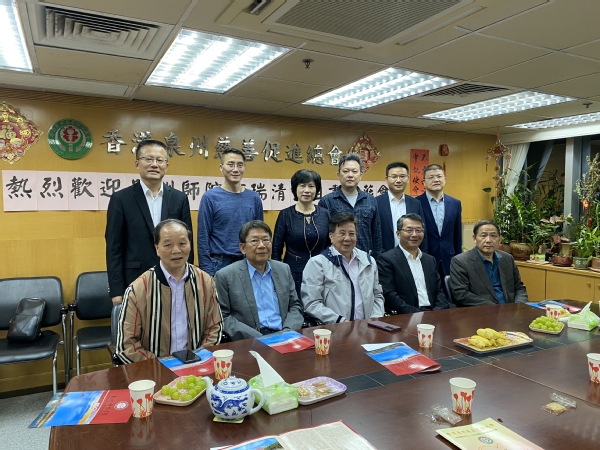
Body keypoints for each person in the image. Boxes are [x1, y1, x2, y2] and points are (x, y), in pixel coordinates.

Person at [115, 219, 223, 363]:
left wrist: (199, 360)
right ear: (157, 249)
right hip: (154, 369)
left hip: (197, 365)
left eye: (182, 243)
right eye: (168, 245)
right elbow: (127, 345)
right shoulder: (138, 290)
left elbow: (214, 327)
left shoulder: (206, 282)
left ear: (190, 245)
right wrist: (162, 367)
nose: (176, 250)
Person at [105, 139, 193, 305]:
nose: (154, 164)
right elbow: (114, 248)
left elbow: (187, 242)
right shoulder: (121, 199)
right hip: (135, 279)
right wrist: (116, 290)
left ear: (166, 166)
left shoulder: (179, 198)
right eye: (148, 159)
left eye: (159, 160)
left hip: (173, 278)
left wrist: (188, 280)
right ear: (137, 164)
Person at [214, 220, 304, 341]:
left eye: (266, 240)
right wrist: (258, 338)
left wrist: (287, 331)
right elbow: (223, 316)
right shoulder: (225, 276)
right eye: (254, 241)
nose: (262, 245)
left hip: (285, 335)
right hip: (250, 339)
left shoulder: (283, 269)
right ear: (242, 248)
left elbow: (295, 306)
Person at [301, 212, 385, 324]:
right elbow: (311, 303)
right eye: (342, 233)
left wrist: (374, 319)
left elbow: (378, 295)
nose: (347, 238)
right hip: (336, 328)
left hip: (368, 328)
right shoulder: (317, 263)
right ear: (331, 236)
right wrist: (340, 321)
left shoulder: (368, 261)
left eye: (352, 233)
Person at [197, 148, 263, 276]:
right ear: (221, 168)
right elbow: (203, 237)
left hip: (248, 263)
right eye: (231, 164)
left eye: (240, 165)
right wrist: (207, 271)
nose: (236, 169)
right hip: (218, 264)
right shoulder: (210, 197)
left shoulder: (254, 198)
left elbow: (259, 235)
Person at [272, 169, 331, 297]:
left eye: (311, 186)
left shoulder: (325, 214)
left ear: (317, 189)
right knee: (296, 306)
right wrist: (276, 274)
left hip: (321, 271)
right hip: (293, 272)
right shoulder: (285, 214)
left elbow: (329, 245)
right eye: (302, 186)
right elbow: (276, 248)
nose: (307, 190)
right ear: (295, 188)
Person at [377, 213, 449, 314]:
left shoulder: (429, 260)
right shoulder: (386, 259)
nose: (414, 235)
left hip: (433, 313)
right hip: (406, 315)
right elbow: (389, 295)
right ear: (398, 234)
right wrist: (419, 314)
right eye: (409, 230)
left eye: (419, 230)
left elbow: (439, 291)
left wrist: (436, 312)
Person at [450, 219, 528, 306]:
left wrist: (518, 306)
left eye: (493, 236)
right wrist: (495, 308)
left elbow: (519, 288)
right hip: (482, 311)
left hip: (510, 310)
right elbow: (461, 294)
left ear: (500, 239)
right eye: (483, 236)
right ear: (474, 239)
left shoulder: (507, 259)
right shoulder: (460, 261)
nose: (488, 240)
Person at [319, 153, 382, 257]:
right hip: (336, 259)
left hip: (365, 259)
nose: (350, 175)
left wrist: (377, 259)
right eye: (345, 171)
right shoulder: (327, 201)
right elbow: (324, 236)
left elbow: (377, 234)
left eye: (354, 171)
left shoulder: (371, 200)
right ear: (338, 175)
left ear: (360, 175)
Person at [417, 164, 462, 278]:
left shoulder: (455, 203)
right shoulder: (416, 203)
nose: (436, 180)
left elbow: (457, 234)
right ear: (424, 182)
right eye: (431, 177)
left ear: (444, 179)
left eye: (439, 176)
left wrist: (458, 258)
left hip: (449, 259)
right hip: (425, 257)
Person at [376, 161, 427, 253]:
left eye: (402, 176)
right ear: (386, 179)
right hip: (384, 256)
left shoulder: (415, 203)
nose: (398, 180)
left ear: (408, 179)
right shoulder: (376, 202)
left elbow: (422, 231)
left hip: (411, 255)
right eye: (394, 177)